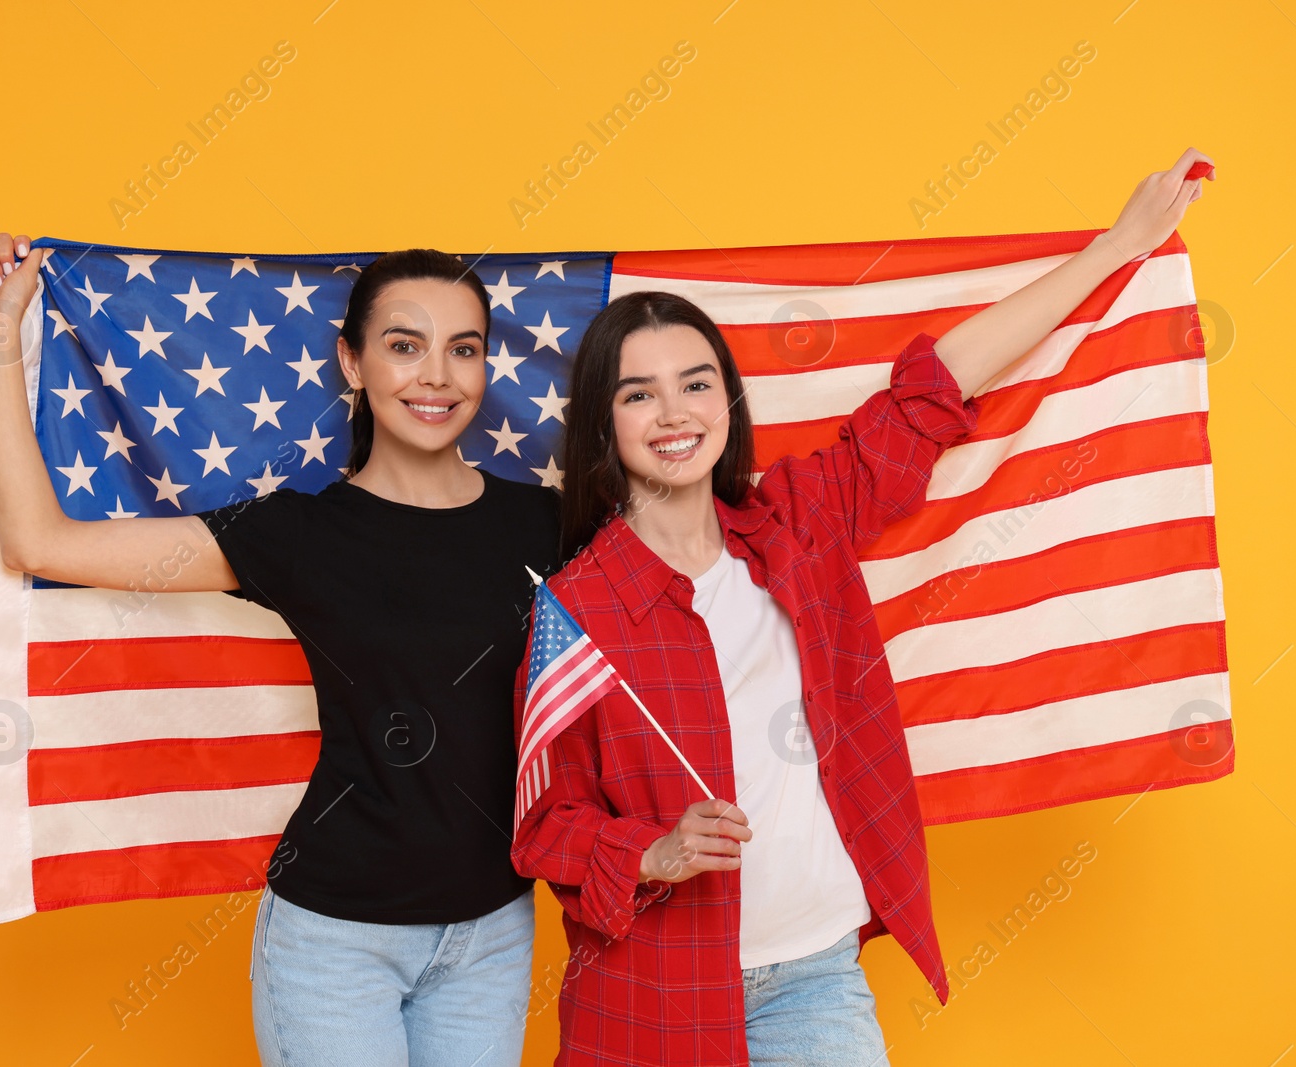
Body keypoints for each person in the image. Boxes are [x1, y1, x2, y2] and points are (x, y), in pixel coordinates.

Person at [509, 148, 1216, 1065]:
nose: (673, 412)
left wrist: (1120, 245)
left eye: (695, 383)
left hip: (815, 979)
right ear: (604, 422)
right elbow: (543, 825)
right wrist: (653, 851)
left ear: (728, 399)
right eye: (638, 393)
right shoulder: (575, 609)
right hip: (654, 997)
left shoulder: (797, 526)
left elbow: (934, 391)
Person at [0, 239, 563, 1066]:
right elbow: (40, 541)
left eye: (464, 349)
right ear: (351, 362)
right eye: (403, 345)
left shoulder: (551, 525)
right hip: (334, 945)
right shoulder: (299, 534)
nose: (437, 375)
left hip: (494, 936)